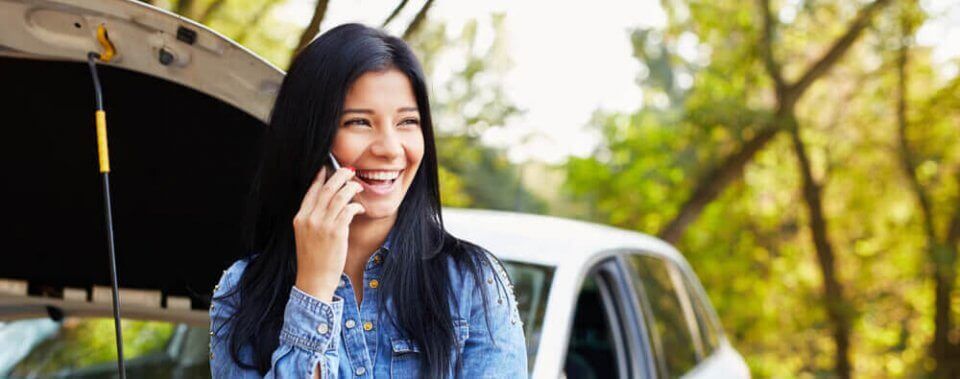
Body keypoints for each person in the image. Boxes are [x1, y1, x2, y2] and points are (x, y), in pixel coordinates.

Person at [208, 23, 527, 378]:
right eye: (359, 122)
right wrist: (313, 292)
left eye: (407, 121)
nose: (390, 149)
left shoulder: (472, 283)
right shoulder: (242, 291)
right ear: (309, 137)